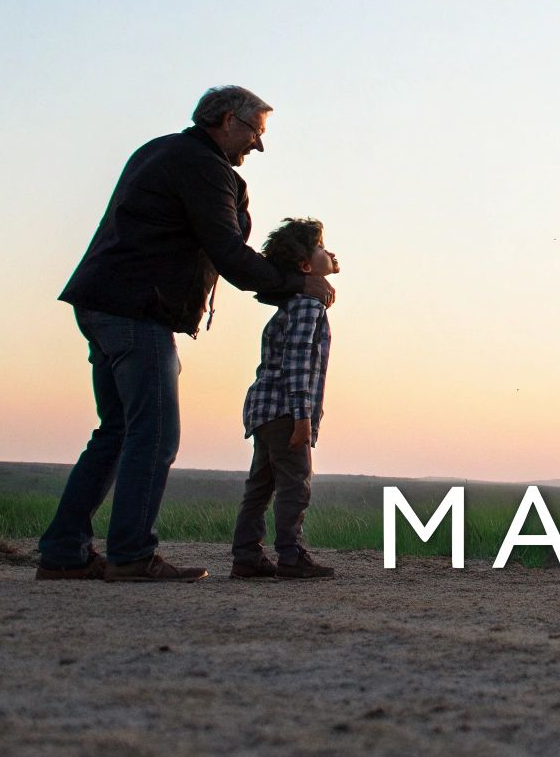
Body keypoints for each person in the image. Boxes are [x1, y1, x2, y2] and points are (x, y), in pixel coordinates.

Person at [37, 86, 336, 583]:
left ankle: (64, 552)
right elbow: (228, 250)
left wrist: (240, 207)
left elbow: (224, 241)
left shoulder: (161, 152)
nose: (258, 147)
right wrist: (298, 283)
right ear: (224, 120)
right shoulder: (202, 167)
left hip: (102, 302)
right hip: (137, 310)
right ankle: (132, 554)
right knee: (154, 435)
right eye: (255, 133)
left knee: (115, 432)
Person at [230, 218, 338, 580]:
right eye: (321, 247)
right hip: (285, 409)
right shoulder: (308, 306)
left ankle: (246, 555)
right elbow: (296, 361)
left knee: (260, 484)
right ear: (306, 266)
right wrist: (303, 416)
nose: (329, 251)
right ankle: (290, 555)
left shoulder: (292, 303)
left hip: (264, 407)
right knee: (296, 480)